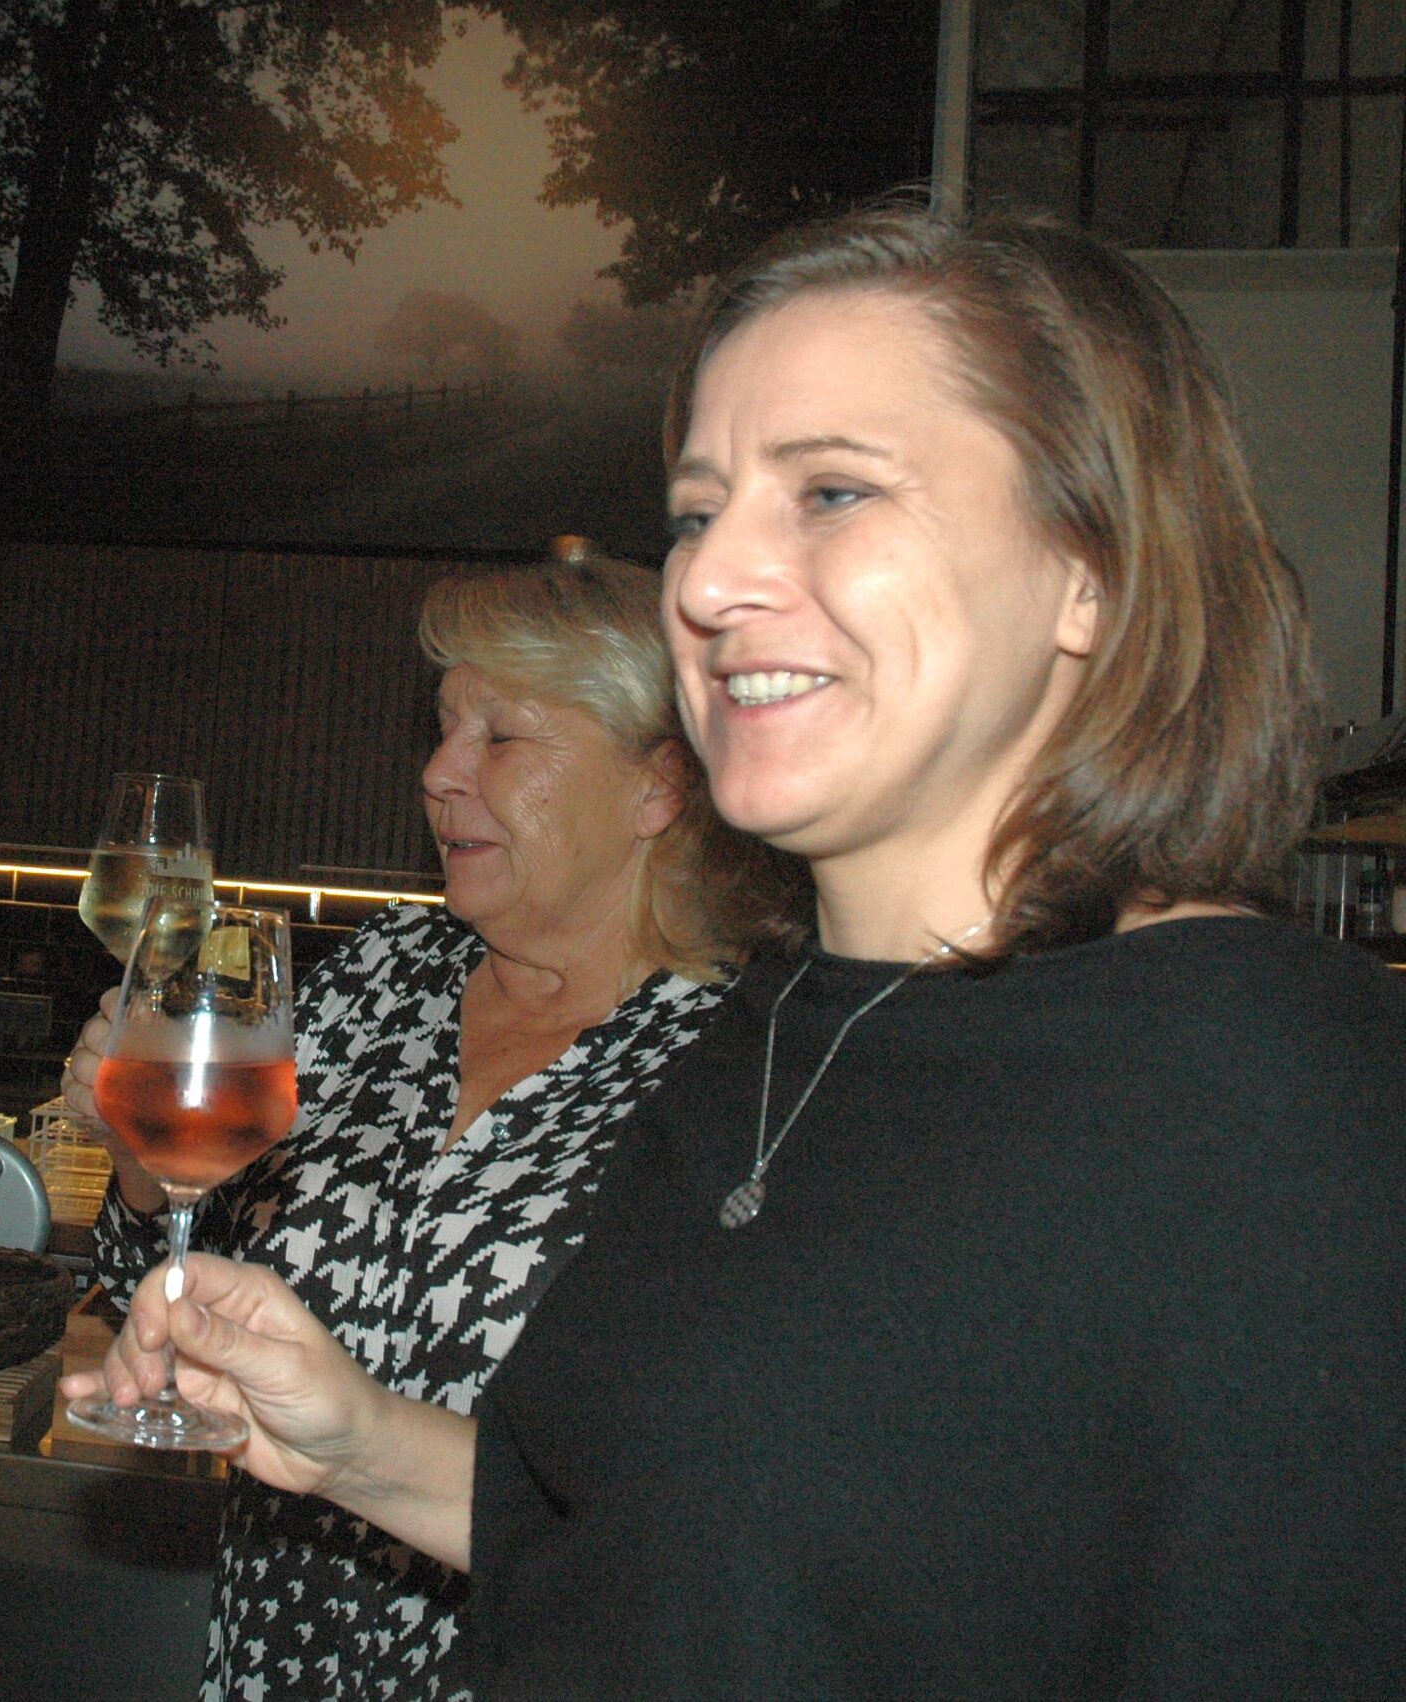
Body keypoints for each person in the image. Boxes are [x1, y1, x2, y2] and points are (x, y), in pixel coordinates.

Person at [70, 203, 1406, 1696]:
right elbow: (686, 1554)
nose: (704, 585)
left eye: (832, 491)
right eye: (699, 514)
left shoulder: (1278, 1093)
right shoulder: (776, 1030)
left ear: (1089, 569)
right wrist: (358, 1442)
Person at [61, 551, 798, 1702]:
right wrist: (141, 1159)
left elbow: (740, 1490)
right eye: (444, 730)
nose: (440, 772)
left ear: (659, 786)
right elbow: (150, 1279)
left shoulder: (747, 1063)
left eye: (500, 737)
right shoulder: (379, 973)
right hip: (273, 1655)